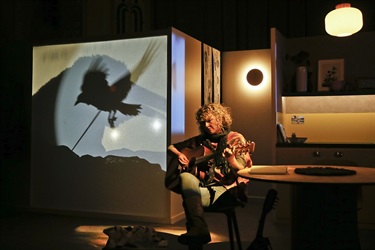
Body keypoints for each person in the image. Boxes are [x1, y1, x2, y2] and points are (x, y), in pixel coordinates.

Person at [167, 103, 253, 247]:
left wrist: (231, 159)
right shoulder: (200, 140)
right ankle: (199, 230)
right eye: (203, 122)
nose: (206, 125)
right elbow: (171, 147)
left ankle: (198, 231)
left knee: (189, 200)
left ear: (220, 118)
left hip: (227, 191)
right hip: (206, 188)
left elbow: (241, 169)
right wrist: (179, 155)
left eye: (209, 120)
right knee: (185, 177)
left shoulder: (235, 139)